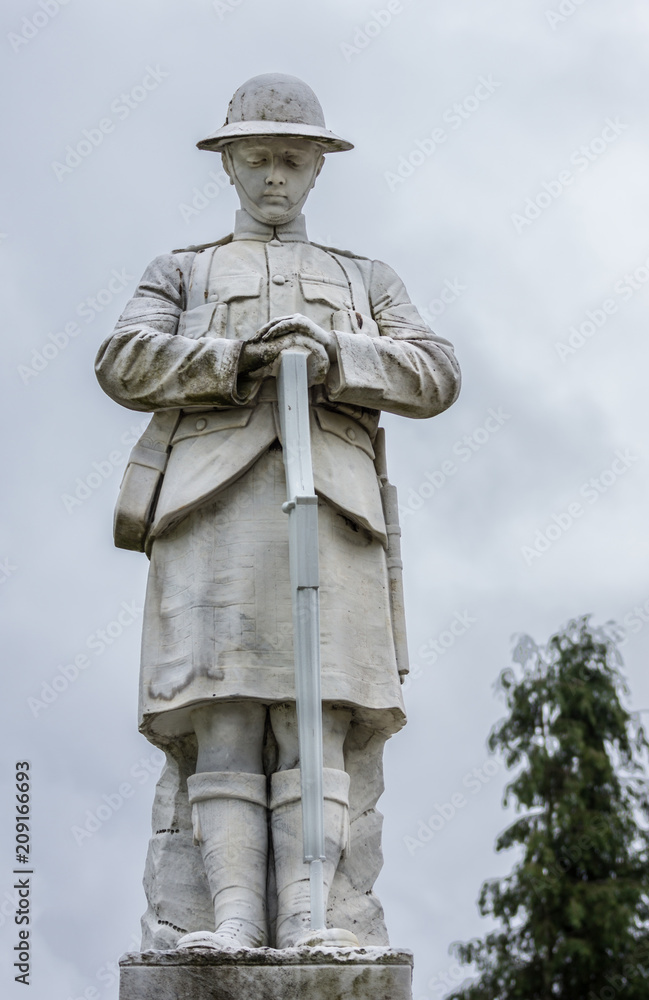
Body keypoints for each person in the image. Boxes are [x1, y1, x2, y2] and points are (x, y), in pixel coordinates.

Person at [95, 73, 461, 951]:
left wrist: (337, 355)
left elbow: (436, 370)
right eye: (256, 158)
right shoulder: (180, 271)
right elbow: (122, 358)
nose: (272, 178)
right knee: (221, 714)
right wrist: (230, 357)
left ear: (316, 170)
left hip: (331, 514)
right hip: (211, 510)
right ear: (227, 163)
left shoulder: (362, 277)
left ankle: (312, 915)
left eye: (291, 160)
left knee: (318, 719)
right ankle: (224, 916)